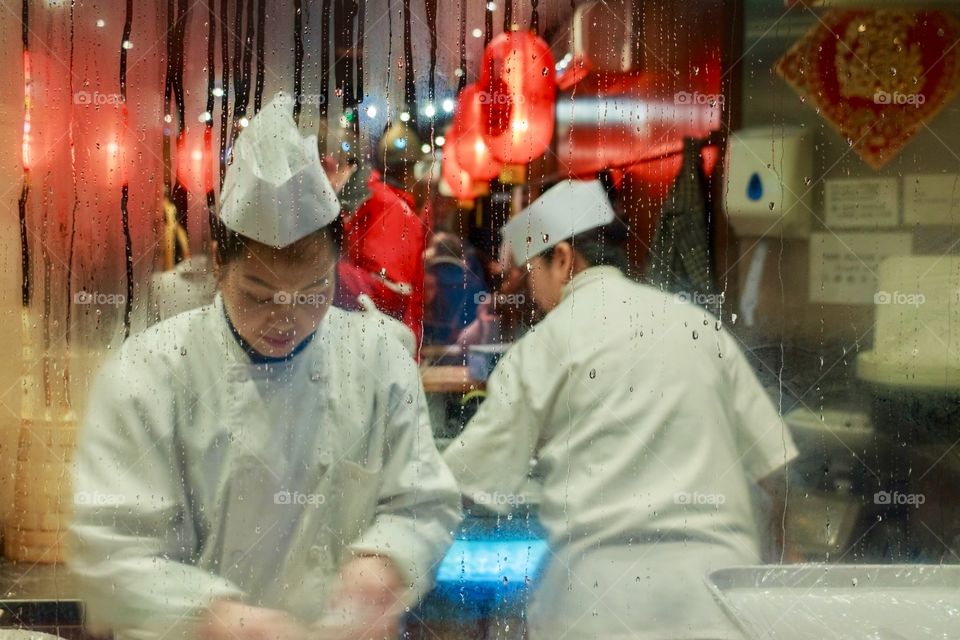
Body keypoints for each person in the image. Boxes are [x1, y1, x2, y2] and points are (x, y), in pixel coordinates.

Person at [69, 93, 462, 640]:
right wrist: (214, 617)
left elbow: (422, 503)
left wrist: (383, 564)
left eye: (313, 292)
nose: (288, 318)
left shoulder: (378, 359)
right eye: (259, 293)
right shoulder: (150, 374)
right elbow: (109, 551)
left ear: (336, 270)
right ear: (219, 271)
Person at [441, 178, 798, 640]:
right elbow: (776, 469)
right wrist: (785, 559)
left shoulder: (544, 346)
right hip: (719, 604)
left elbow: (467, 481)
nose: (531, 291)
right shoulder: (697, 324)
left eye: (532, 272)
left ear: (564, 258)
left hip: (595, 609)